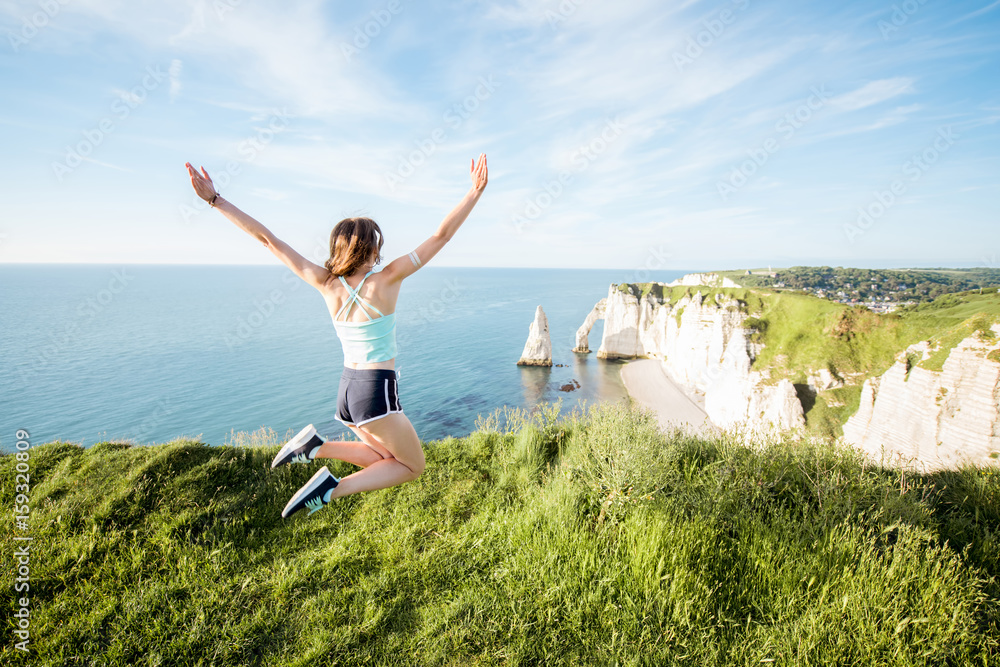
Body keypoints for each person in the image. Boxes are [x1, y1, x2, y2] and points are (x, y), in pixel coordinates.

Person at [185, 154, 488, 517]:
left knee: (383, 458)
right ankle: (332, 488)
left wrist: (216, 201)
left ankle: (315, 446)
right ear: (371, 249)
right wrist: (474, 193)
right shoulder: (386, 279)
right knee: (412, 466)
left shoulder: (325, 284)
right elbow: (441, 235)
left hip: (347, 391)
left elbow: (268, 240)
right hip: (376, 391)